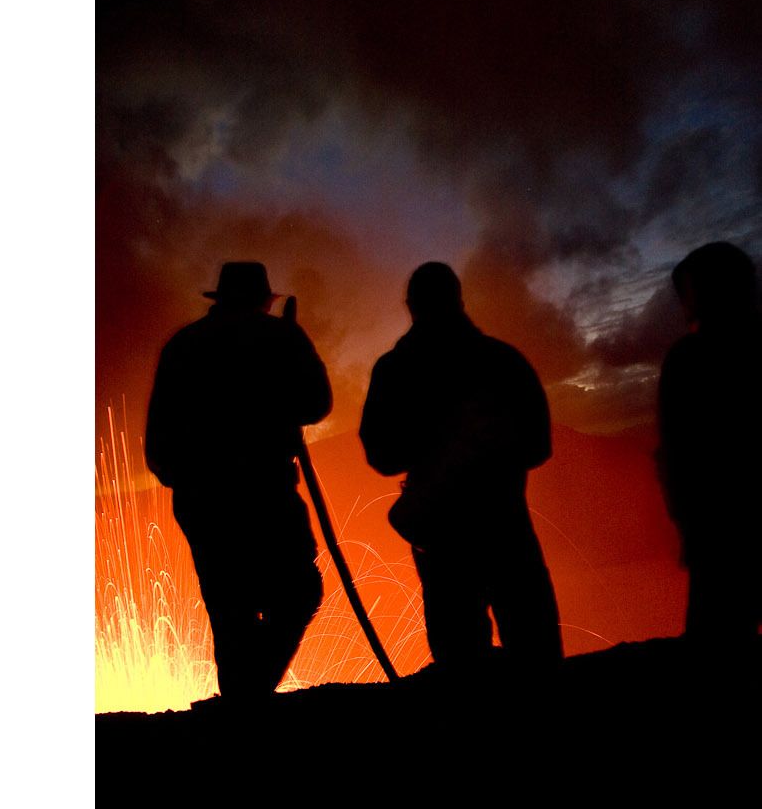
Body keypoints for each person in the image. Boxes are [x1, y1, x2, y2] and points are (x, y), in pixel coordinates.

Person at [359, 262, 562, 671]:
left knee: (460, 662)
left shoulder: (395, 370)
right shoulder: (503, 361)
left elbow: (381, 455)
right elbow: (538, 447)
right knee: (536, 649)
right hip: (506, 525)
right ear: (459, 300)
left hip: (441, 536)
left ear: (411, 307)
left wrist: (430, 452)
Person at [144, 261, 331, 702]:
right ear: (265, 300)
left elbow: (159, 442)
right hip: (266, 492)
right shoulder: (278, 337)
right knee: (298, 593)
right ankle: (248, 698)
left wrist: (188, 480)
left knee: (232, 612)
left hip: (201, 499)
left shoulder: (183, 345)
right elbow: (317, 403)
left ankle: (239, 711)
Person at [657, 241, 762, 653]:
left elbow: (677, 454)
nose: (682, 303)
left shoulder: (689, 359)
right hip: (730, 530)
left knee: (717, 648)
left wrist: (688, 525)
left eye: (687, 291)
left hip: (718, 541)